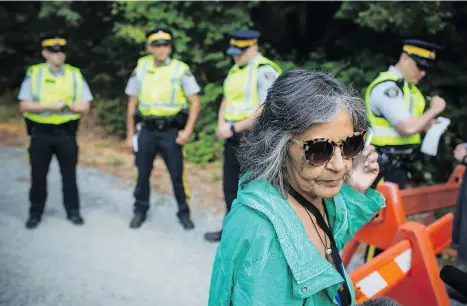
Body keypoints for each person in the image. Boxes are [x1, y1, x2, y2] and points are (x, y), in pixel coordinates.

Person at [208, 69, 386, 305]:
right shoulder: (263, 233)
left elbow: (325, 249)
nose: (340, 165)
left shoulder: (307, 193)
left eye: (351, 144)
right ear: (278, 146)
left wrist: (353, 191)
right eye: (320, 149)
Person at [363, 39, 447, 262]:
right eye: (420, 66)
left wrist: (429, 124)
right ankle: (370, 286)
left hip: (399, 169)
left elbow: (414, 126)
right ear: (405, 58)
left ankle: (381, 282)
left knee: (392, 231)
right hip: (382, 169)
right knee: (380, 232)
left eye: (427, 69)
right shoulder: (387, 88)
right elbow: (407, 127)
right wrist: (435, 110)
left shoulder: (410, 90)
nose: (423, 73)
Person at [204, 29, 282, 242]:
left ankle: (257, 239)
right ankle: (231, 232)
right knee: (230, 188)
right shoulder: (235, 71)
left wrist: (233, 128)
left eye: (240, 51)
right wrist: (222, 125)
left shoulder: (264, 70)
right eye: (233, 51)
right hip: (233, 138)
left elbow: (266, 108)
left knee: (255, 191)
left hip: (255, 141)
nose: (235, 56)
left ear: (254, 47)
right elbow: (226, 100)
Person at [124, 27, 201, 230]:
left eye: (165, 45)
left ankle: (184, 212)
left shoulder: (180, 69)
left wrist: (187, 131)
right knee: (142, 173)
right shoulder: (141, 68)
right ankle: (140, 210)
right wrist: (130, 134)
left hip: (170, 131)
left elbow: (195, 101)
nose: (161, 49)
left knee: (177, 175)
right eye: (157, 45)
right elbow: (132, 102)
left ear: (170, 47)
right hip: (147, 131)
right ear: (150, 47)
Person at [17, 34, 93, 229]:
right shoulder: (35, 74)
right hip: (40, 133)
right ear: (45, 53)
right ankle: (35, 213)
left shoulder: (74, 75)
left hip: (66, 133)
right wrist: (50, 106)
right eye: (53, 52)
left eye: (61, 52)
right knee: (38, 175)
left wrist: (67, 106)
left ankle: (73, 211)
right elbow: (24, 105)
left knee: (69, 175)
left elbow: (85, 106)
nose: (58, 55)